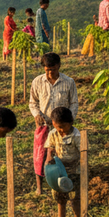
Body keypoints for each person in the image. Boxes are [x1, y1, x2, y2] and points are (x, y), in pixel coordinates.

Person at [29, 52, 78, 195]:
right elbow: (33, 103)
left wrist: (69, 120)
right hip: (44, 125)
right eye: (47, 70)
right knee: (41, 154)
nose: (50, 73)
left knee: (62, 152)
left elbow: (74, 103)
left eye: (53, 70)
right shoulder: (37, 82)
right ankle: (39, 186)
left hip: (62, 126)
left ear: (59, 66)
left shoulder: (69, 82)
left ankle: (61, 181)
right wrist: (37, 115)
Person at [44, 107, 82, 217]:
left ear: (70, 123)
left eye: (63, 127)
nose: (60, 130)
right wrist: (49, 157)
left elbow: (83, 153)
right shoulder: (53, 134)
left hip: (75, 172)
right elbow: (50, 147)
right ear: (53, 124)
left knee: (75, 200)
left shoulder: (77, 136)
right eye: (57, 127)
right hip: (59, 172)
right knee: (60, 200)